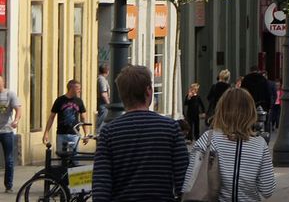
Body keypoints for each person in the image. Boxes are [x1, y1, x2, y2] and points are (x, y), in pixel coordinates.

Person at [93, 65, 189, 202]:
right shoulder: (170, 128)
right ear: (148, 91)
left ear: (121, 95)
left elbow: (101, 185)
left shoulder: (109, 133)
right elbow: (184, 181)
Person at [184, 87, 275, 201]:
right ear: (251, 112)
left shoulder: (208, 139)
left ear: (221, 110)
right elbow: (267, 189)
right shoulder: (259, 144)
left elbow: (190, 181)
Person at [42, 79, 87, 158]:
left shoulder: (79, 101)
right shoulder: (60, 100)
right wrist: (46, 132)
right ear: (71, 88)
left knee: (75, 159)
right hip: (61, 134)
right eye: (78, 88)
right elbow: (52, 117)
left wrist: (86, 134)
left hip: (74, 134)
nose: (80, 90)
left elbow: (83, 118)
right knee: (61, 158)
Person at [0, 76, 21, 193]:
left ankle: (9, 185)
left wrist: (16, 120)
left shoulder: (9, 94)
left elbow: (18, 109)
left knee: (9, 158)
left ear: (3, 83)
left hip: (6, 131)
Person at [95, 63, 110, 132]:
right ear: (107, 71)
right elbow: (103, 93)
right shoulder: (102, 79)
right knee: (102, 122)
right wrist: (108, 104)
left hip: (102, 104)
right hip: (103, 104)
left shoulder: (101, 79)